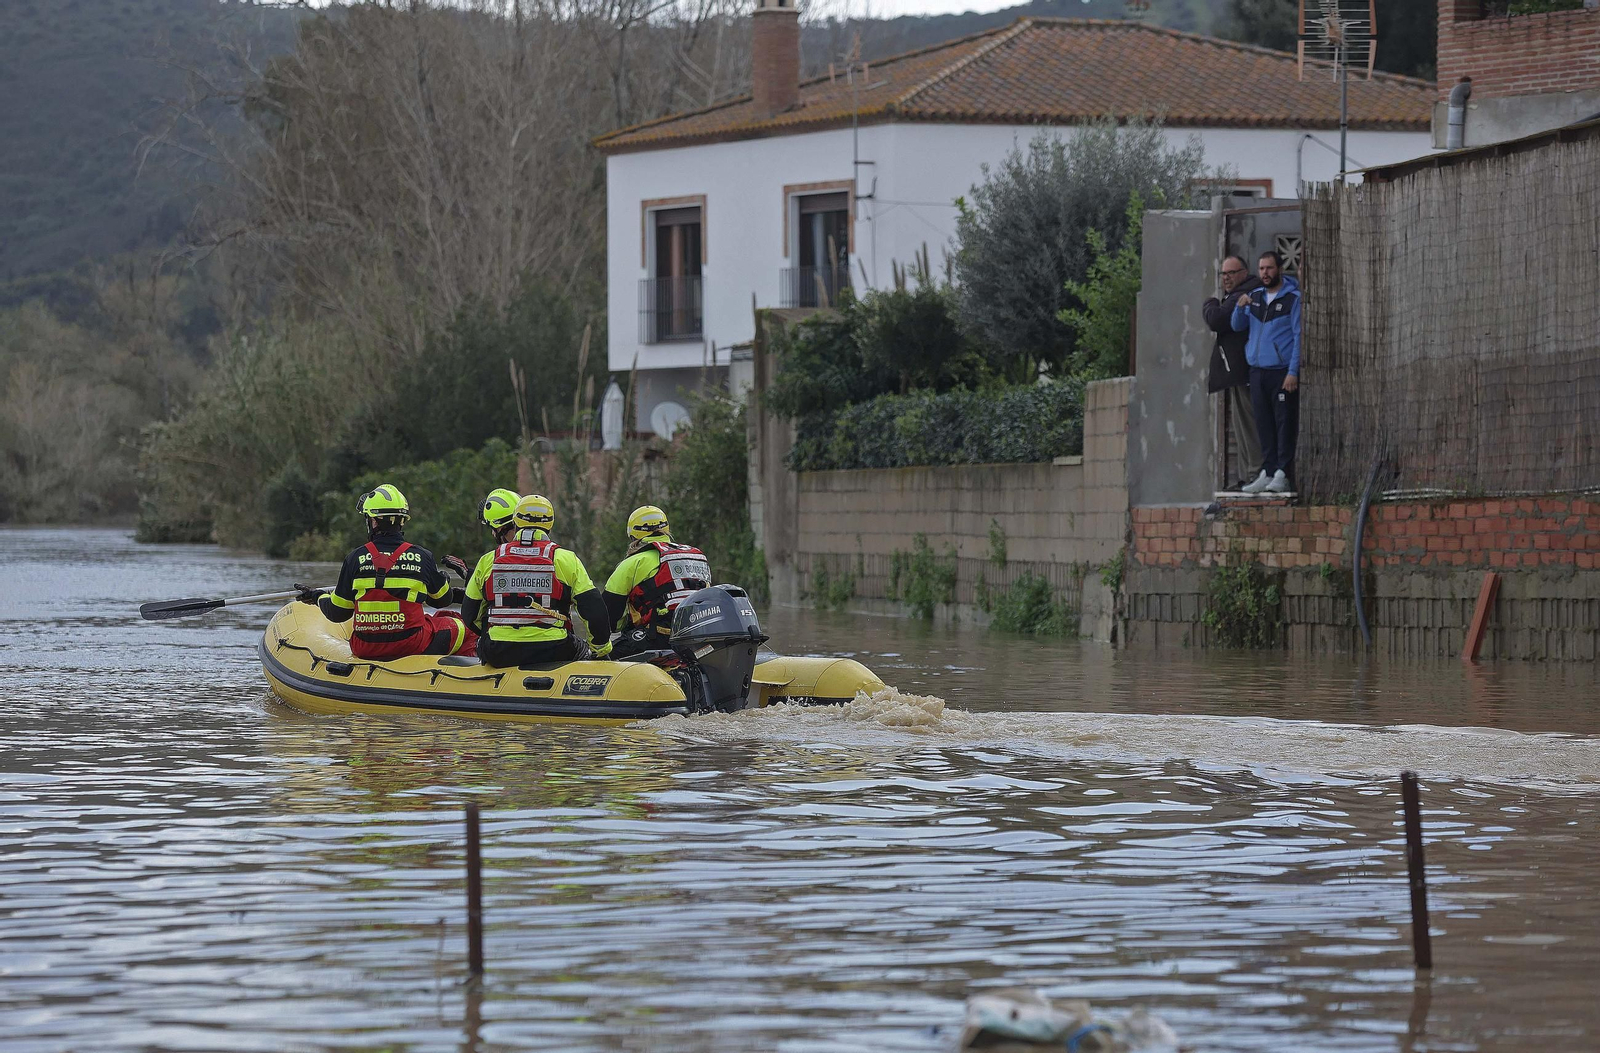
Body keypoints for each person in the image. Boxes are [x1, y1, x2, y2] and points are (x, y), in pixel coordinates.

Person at [301, 484, 475, 660]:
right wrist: (442, 580)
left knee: (435, 619)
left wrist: (317, 596)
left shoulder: (354, 558)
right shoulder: (422, 557)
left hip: (364, 647)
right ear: (402, 520)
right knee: (464, 627)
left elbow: (337, 612)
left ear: (374, 521)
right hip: (411, 644)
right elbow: (442, 600)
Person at [460, 493, 612, 667]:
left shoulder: (488, 560)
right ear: (550, 524)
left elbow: (469, 615)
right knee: (583, 648)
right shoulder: (566, 559)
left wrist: (495, 635)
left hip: (498, 651)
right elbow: (594, 611)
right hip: (553, 650)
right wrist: (600, 650)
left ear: (515, 522)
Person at [1230, 250, 1301, 494]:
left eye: (1269, 268)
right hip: (1257, 371)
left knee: (1283, 422)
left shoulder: (1293, 299)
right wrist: (1239, 308)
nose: (1265, 273)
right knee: (1263, 423)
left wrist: (1293, 372)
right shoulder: (1255, 297)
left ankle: (1282, 472)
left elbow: (1298, 337)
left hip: (1280, 371)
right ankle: (1268, 470)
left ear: (1279, 269)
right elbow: (1237, 326)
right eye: (1261, 269)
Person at [603, 505, 713, 658]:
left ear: (633, 536)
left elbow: (607, 616)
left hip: (658, 639)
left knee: (605, 655)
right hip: (701, 638)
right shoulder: (697, 556)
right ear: (666, 529)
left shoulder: (633, 562)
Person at [1203, 255, 1262, 488]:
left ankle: (1256, 473)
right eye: (1223, 274)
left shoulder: (1244, 294)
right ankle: (1248, 476)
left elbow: (1217, 319)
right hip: (1238, 372)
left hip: (1245, 370)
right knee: (1241, 425)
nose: (1226, 278)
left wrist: (1209, 303)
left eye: (1231, 273)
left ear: (1244, 273)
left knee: (1249, 424)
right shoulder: (1236, 295)